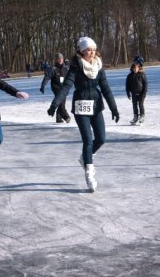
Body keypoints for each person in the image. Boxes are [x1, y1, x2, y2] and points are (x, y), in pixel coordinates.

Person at [47, 37, 119, 192]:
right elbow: (66, 87)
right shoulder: (75, 67)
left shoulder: (99, 66)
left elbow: (105, 88)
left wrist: (114, 108)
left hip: (96, 105)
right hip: (81, 106)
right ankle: (89, 172)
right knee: (87, 140)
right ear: (81, 51)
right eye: (88, 50)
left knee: (101, 138)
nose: (91, 52)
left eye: (93, 49)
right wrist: (55, 103)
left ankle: (85, 158)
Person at [40, 53, 71, 123]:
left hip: (64, 88)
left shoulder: (66, 68)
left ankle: (58, 118)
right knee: (61, 103)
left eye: (61, 58)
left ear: (63, 59)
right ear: (56, 60)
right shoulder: (53, 69)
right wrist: (43, 86)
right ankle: (66, 117)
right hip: (56, 88)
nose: (60, 60)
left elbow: (70, 77)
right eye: (58, 59)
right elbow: (47, 77)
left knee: (61, 102)